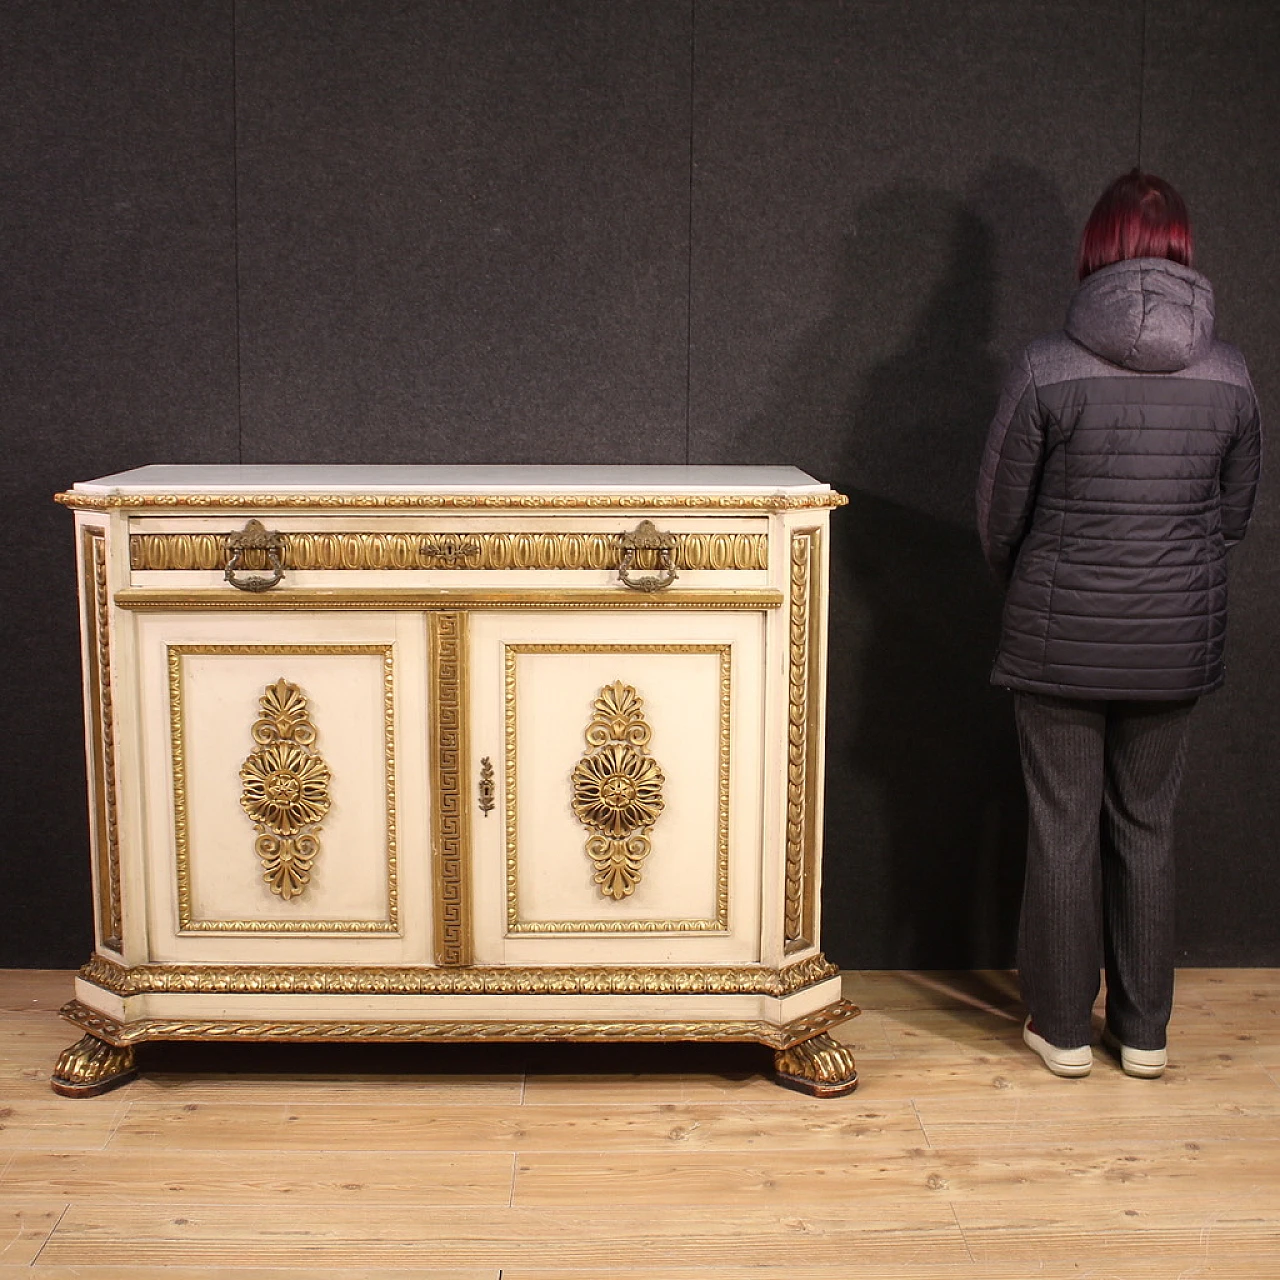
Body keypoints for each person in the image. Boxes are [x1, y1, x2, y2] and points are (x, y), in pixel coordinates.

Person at [976, 170, 1262, 1078]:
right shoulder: (1232, 377)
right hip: (1175, 644)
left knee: (1061, 825)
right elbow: (1233, 517)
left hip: (1059, 636)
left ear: (1094, 249)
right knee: (1147, 826)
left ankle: (1061, 1028)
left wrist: (1031, 584)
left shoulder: (1043, 368)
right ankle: (1144, 1033)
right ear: (1184, 245)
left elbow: (998, 517)